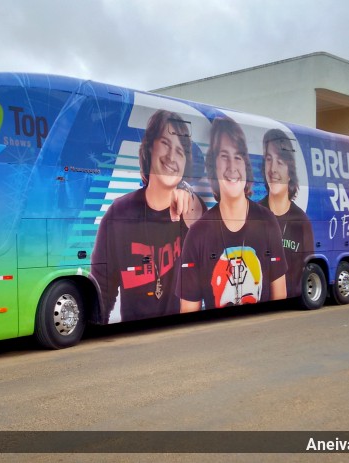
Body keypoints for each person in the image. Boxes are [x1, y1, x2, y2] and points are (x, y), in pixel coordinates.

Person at [91, 109, 206, 323]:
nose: (172, 157)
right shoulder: (119, 214)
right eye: (165, 143)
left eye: (180, 152)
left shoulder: (191, 212)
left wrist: (188, 192)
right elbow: (102, 291)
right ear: (149, 147)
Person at [176, 117, 287, 312]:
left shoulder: (267, 222)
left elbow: (280, 298)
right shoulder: (197, 234)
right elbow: (188, 312)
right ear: (213, 167)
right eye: (224, 156)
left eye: (238, 157)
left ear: (246, 166)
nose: (232, 167)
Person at [258, 128, 314, 298]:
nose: (273, 169)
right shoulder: (254, 215)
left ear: (290, 172)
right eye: (269, 160)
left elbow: (307, 267)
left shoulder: (301, 222)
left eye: (280, 162)